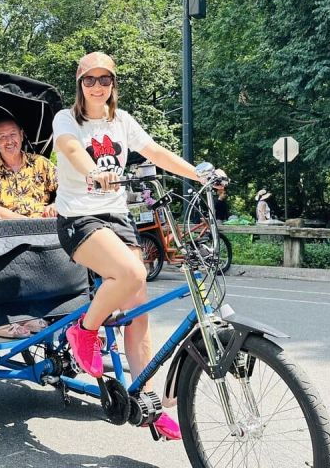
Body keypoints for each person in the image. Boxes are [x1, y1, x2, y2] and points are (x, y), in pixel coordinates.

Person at [53, 51, 217, 441]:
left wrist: (198, 175)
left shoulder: (122, 121)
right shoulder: (67, 119)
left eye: (104, 79)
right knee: (130, 272)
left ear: (113, 84)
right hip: (78, 218)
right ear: (80, 84)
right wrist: (94, 171)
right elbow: (72, 150)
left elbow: (155, 152)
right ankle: (84, 329)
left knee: (138, 316)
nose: (97, 86)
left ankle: (146, 403)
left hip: (117, 219)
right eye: (89, 79)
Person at [0, 117, 58, 219]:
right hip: (7, 227)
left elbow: (67, 188)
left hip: (44, 223)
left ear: (21, 135)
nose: (9, 141)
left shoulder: (40, 162)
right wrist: (24, 222)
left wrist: (56, 204)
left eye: (13, 134)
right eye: (2, 136)